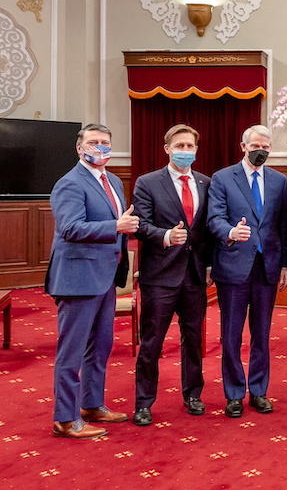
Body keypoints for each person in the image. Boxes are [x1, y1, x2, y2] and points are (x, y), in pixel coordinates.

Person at [47, 123, 136, 438]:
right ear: (79, 148)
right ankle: (65, 418)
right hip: (77, 279)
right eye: (94, 142)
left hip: (106, 277)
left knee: (100, 346)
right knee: (71, 352)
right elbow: (71, 228)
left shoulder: (112, 180)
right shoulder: (69, 183)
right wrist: (116, 225)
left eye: (106, 142)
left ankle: (91, 404)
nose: (101, 147)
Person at [206, 125, 287, 418]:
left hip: (267, 266)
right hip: (233, 265)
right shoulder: (222, 177)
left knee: (262, 333)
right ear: (243, 146)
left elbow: (282, 226)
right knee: (231, 334)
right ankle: (233, 393)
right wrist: (230, 231)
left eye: (266, 147)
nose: (261, 151)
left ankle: (258, 391)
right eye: (256, 145)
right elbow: (214, 218)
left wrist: (285, 264)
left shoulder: (279, 181)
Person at [131, 124, 213, 426]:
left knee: (193, 340)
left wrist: (210, 265)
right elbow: (140, 224)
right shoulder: (147, 182)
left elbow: (207, 230)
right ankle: (143, 402)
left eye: (190, 147)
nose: (185, 151)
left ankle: (193, 394)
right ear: (167, 148)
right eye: (179, 146)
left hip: (194, 277)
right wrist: (166, 236)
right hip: (160, 276)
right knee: (152, 342)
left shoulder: (206, 182)